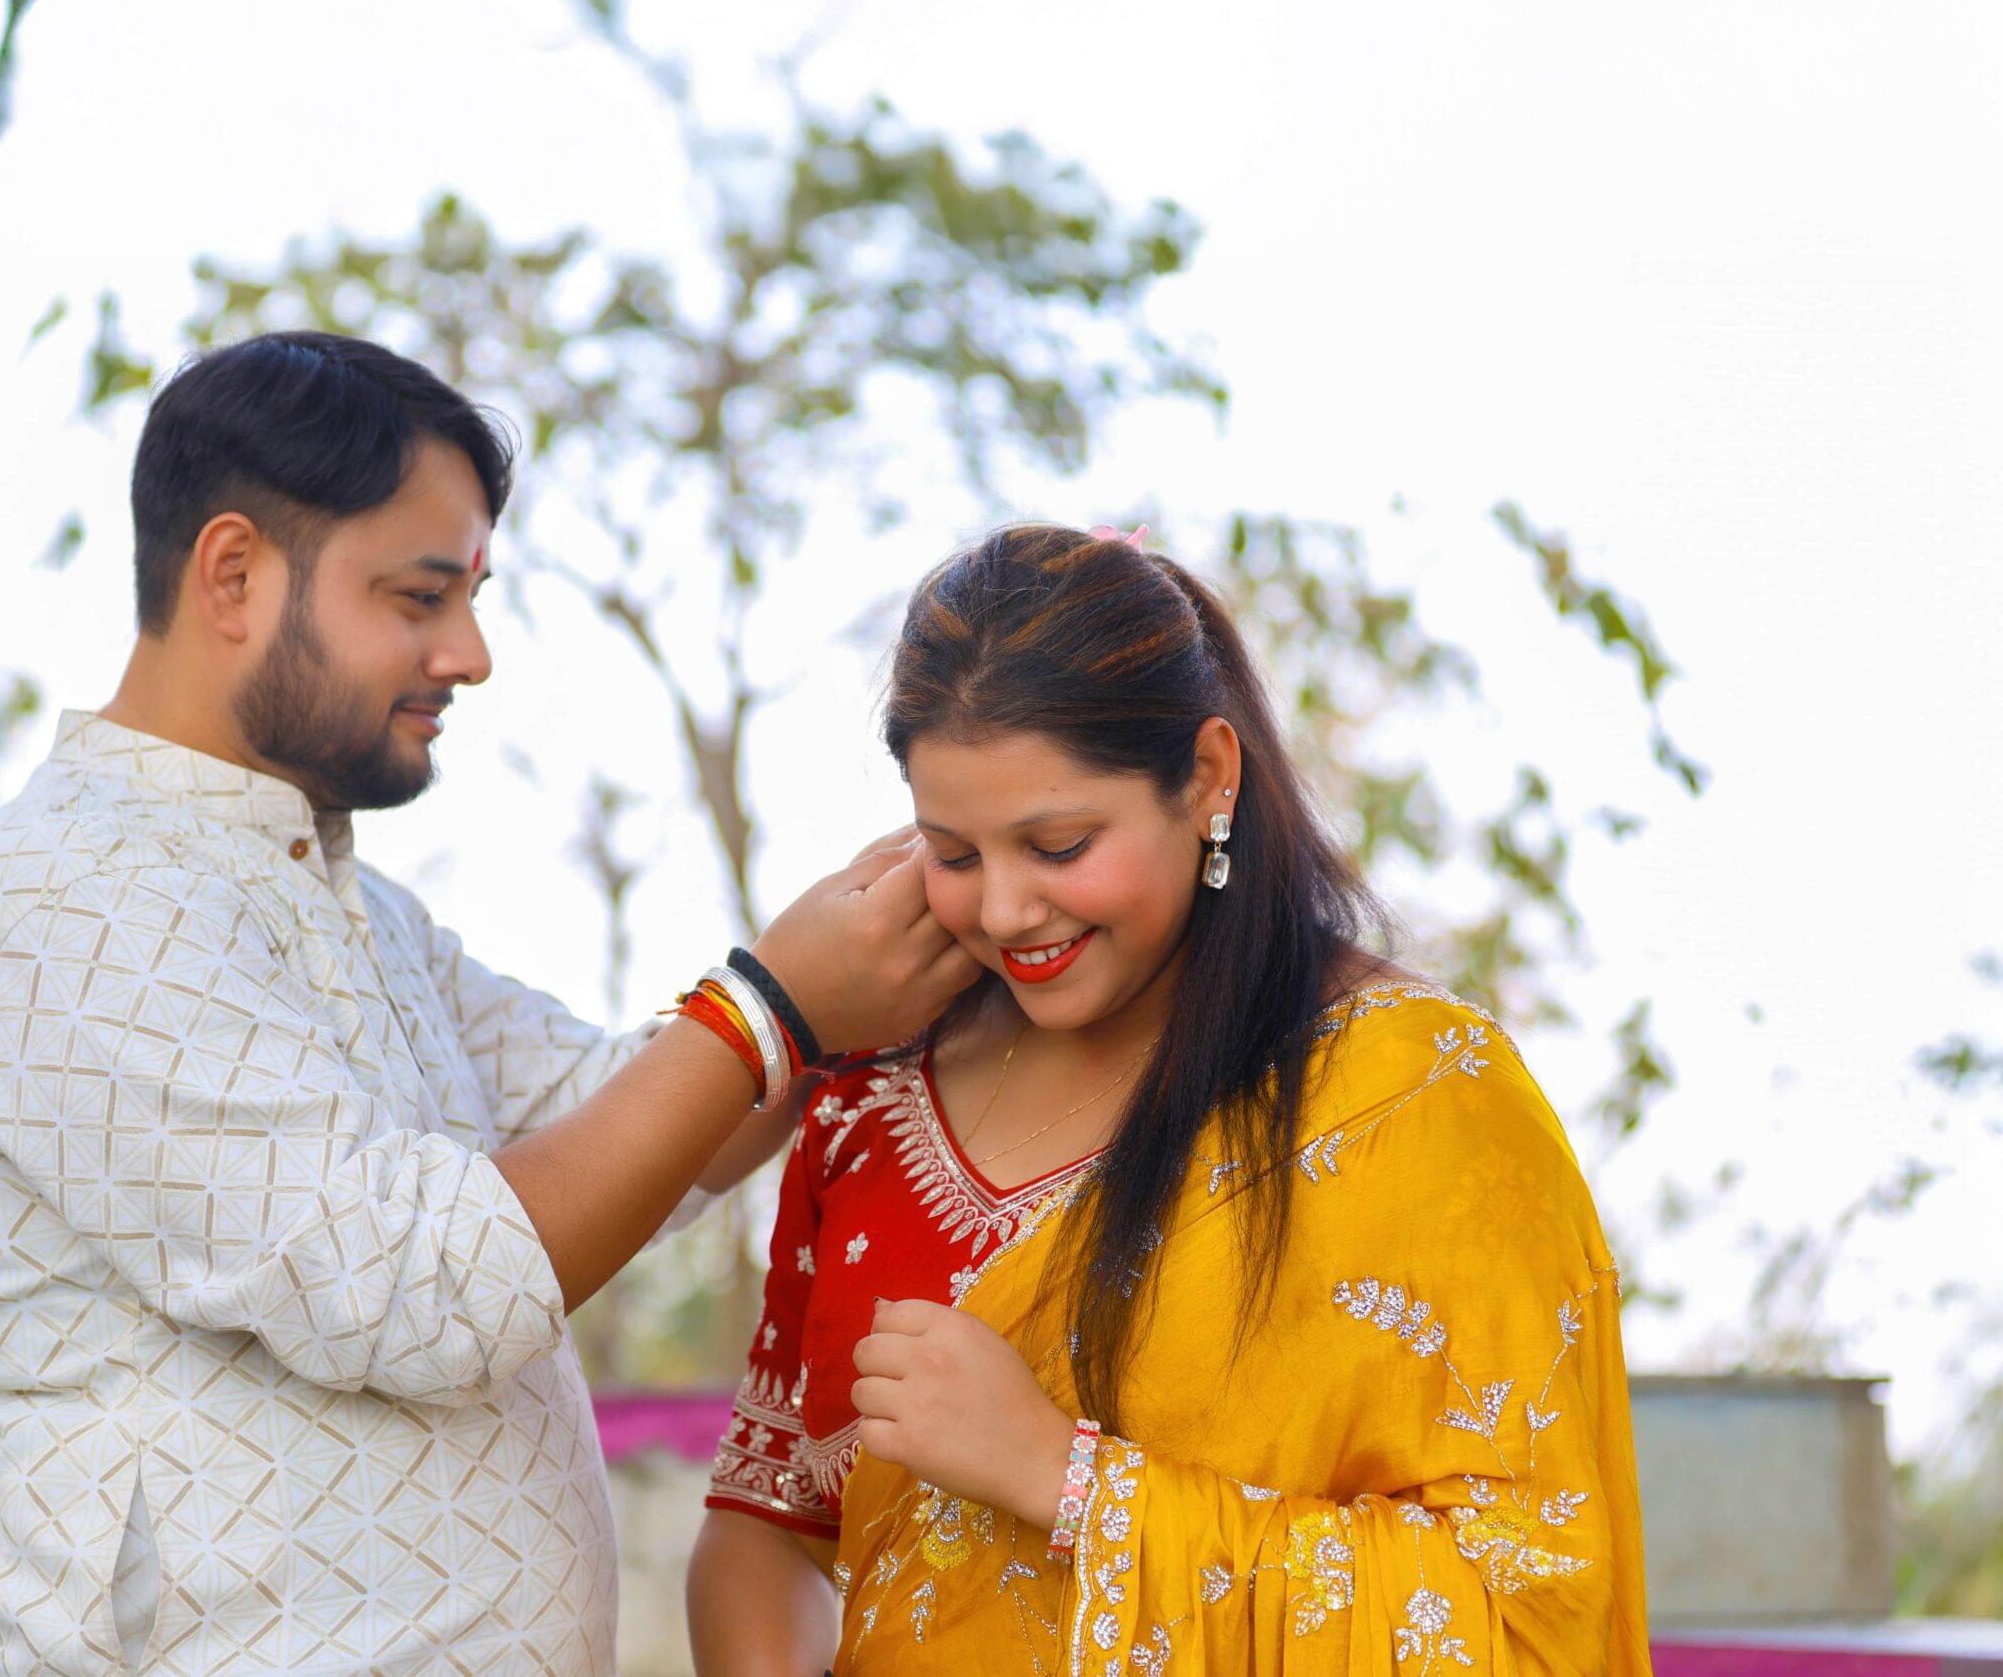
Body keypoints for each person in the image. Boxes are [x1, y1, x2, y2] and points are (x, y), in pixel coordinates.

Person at [0, 330, 978, 1676]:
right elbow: (423, 1285)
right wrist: (774, 1005)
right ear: (233, 573)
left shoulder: (351, 902)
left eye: (472, 594)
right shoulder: (55, 905)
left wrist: (886, 947)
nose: (469, 651)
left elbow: (629, 1117)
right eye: (419, 595)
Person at [688, 524, 1650, 1674]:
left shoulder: (1411, 1098)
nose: (1003, 910)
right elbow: (767, 1523)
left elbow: (1525, 1618)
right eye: (952, 854)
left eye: (1058, 843)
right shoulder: (870, 1092)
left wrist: (1063, 1478)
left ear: (1206, 778)